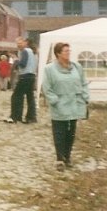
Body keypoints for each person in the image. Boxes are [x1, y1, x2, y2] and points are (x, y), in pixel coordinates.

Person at [41, 42, 89, 171]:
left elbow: (84, 82)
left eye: (69, 51)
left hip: (74, 103)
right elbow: (47, 88)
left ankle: (67, 156)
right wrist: (54, 101)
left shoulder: (77, 67)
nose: (68, 53)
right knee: (59, 132)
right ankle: (59, 159)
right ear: (58, 54)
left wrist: (85, 97)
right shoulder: (50, 69)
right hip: (60, 105)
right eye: (65, 51)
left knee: (71, 132)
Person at [7, 37, 37, 124]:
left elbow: (23, 64)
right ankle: (31, 117)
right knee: (30, 97)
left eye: (20, 43)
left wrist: (16, 60)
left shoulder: (24, 51)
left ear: (25, 42)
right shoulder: (31, 51)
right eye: (17, 43)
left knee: (16, 96)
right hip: (32, 76)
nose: (18, 45)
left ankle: (15, 116)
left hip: (25, 76)